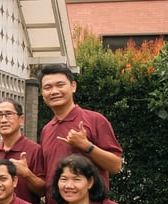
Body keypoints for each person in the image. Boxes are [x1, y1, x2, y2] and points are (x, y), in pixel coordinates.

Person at [37, 64, 123, 193]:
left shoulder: (94, 120)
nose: (54, 91)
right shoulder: (47, 130)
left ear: (73, 86)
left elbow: (115, 165)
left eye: (60, 85)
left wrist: (87, 146)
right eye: (48, 87)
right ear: (42, 93)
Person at [0, 99, 45, 204]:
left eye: (9, 114)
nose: (3, 120)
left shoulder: (34, 150)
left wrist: (27, 174)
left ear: (21, 119)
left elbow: (43, 191)